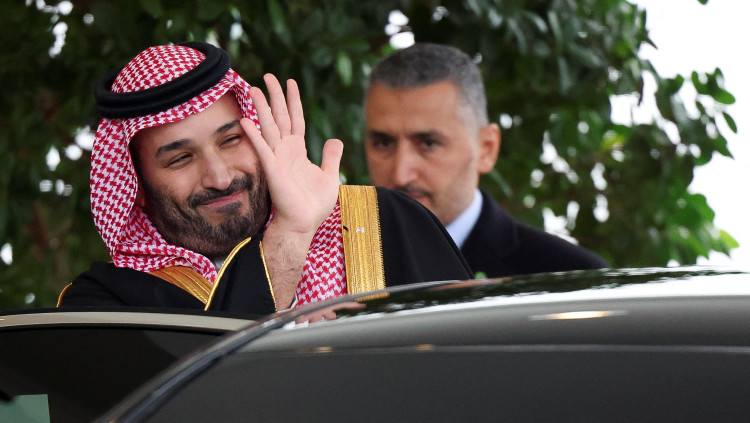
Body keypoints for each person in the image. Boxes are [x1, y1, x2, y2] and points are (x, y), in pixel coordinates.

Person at [57, 41, 471, 316]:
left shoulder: (386, 223)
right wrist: (291, 234)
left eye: (231, 140)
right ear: (136, 188)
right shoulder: (106, 302)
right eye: (181, 159)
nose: (220, 177)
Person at [364, 42, 608, 278]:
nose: (401, 174)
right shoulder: (344, 268)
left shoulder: (570, 277)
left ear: (486, 149)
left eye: (429, 144)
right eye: (383, 143)